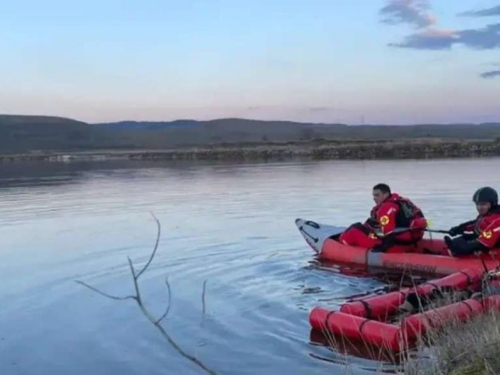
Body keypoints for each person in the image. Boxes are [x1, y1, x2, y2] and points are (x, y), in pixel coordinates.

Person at [339, 183, 427, 252]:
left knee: (354, 229)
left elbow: (387, 232)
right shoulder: (403, 202)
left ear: (386, 195)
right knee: (368, 224)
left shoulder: (386, 208)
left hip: (396, 246)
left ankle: (342, 248)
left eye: (377, 195)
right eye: (373, 195)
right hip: (412, 241)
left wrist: (381, 247)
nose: (374, 198)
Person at [445, 187, 500, 256]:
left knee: (460, 245)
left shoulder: (497, 221)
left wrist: (461, 248)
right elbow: (475, 224)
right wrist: (458, 229)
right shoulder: (486, 216)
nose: (479, 208)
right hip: (488, 244)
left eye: (483, 204)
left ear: (492, 204)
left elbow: (483, 243)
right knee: (460, 240)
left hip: (494, 251)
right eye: (477, 204)